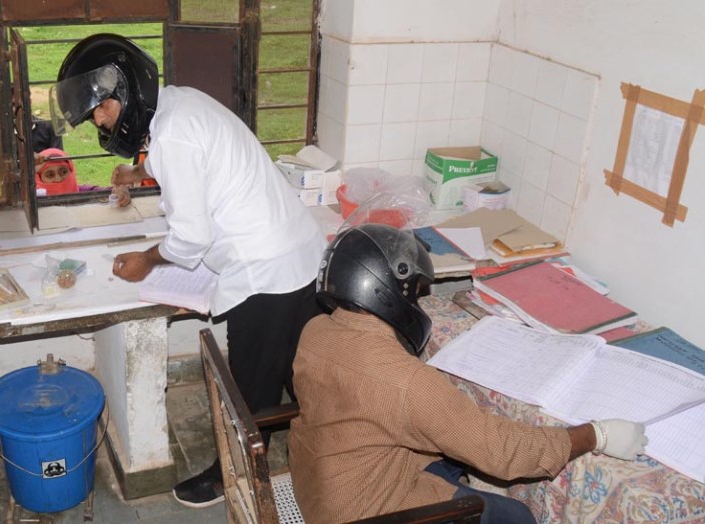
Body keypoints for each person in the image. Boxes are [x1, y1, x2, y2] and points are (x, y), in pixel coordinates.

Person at [51, 33, 325, 508]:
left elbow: (191, 238)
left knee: (249, 391)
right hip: (298, 252)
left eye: (101, 109)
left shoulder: (173, 134)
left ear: (127, 91)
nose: (99, 120)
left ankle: (230, 477)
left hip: (264, 272)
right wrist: (140, 173)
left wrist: (146, 260)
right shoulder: (178, 103)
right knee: (296, 371)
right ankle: (325, 451)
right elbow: (190, 157)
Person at [287, 224, 648, 524]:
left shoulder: (315, 331)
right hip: (363, 512)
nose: (416, 302)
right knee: (517, 515)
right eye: (415, 293)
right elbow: (502, 452)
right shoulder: (406, 383)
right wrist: (596, 435)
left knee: (453, 453)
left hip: (319, 485)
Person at [35, 147, 131, 205]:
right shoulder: (35, 200)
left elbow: (109, 192)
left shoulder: (84, 192)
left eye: (63, 172)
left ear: (71, 172)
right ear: (38, 178)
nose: (58, 178)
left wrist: (120, 191)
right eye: (50, 175)